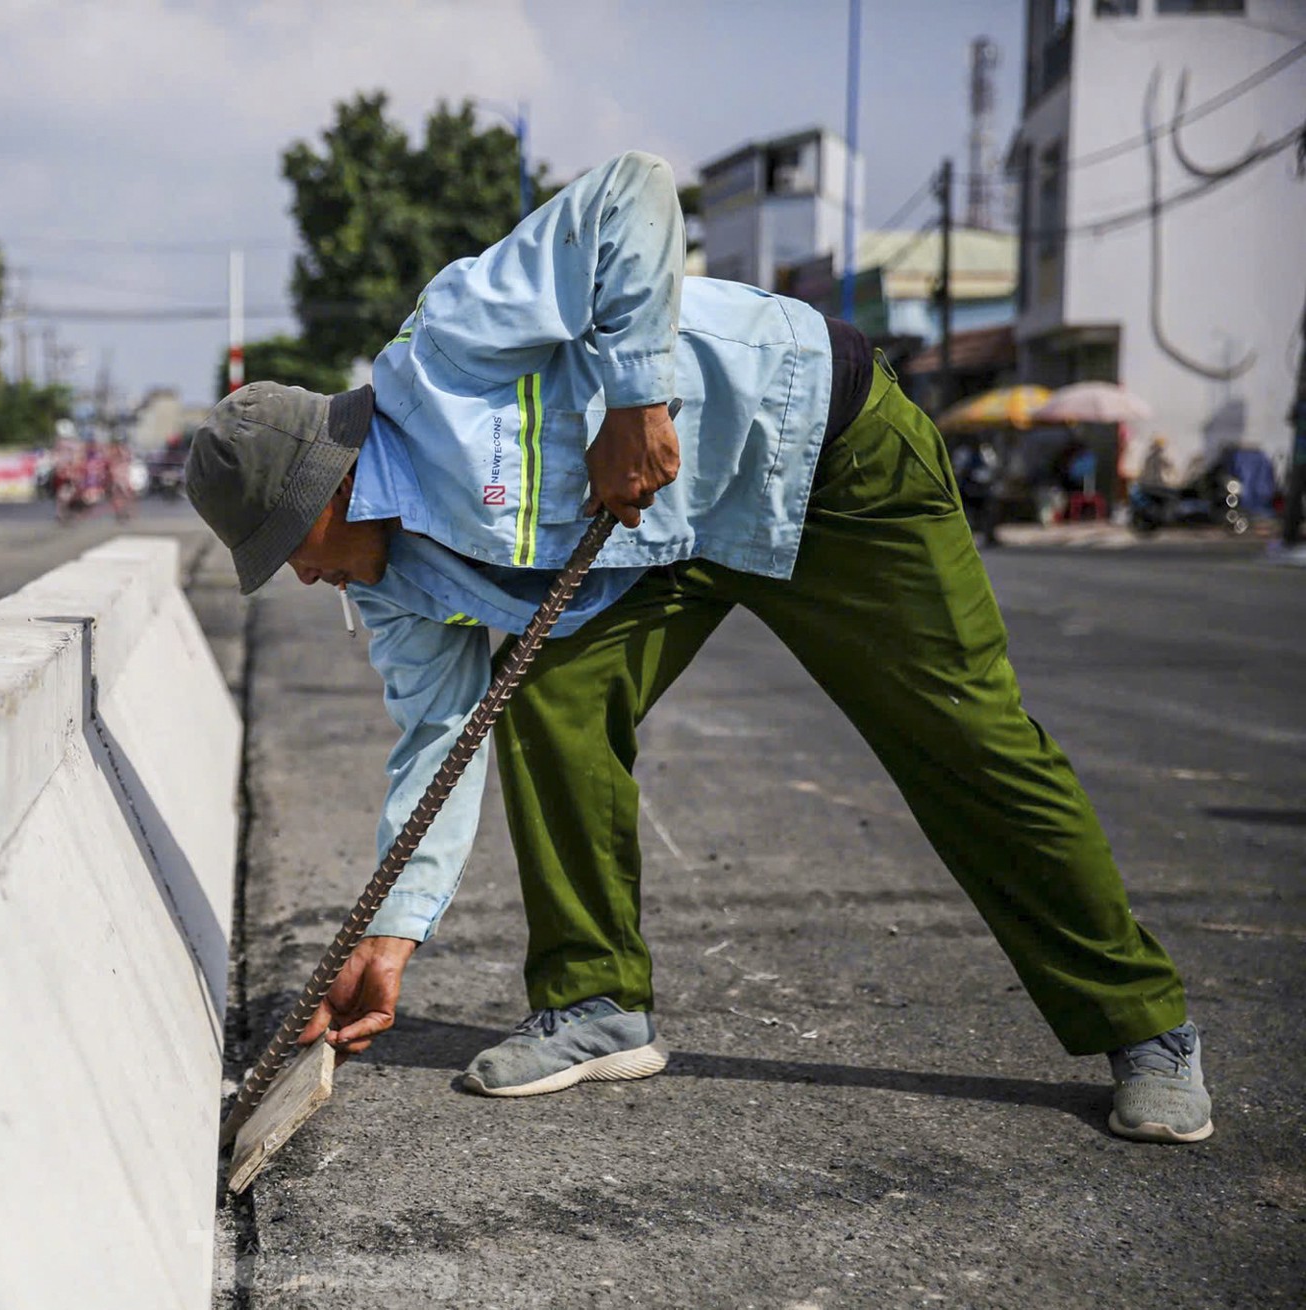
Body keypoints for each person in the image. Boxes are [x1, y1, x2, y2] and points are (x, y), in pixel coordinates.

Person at [185, 152, 1211, 1145]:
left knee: (965, 738)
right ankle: (594, 1003)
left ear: (332, 481)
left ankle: (1143, 1026)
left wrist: (634, 398)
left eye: (292, 548)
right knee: (543, 696)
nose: (304, 576)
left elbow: (630, 192)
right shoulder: (397, 593)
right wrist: (392, 932)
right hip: (659, 545)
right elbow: (439, 742)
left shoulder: (448, 346)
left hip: (819, 455)